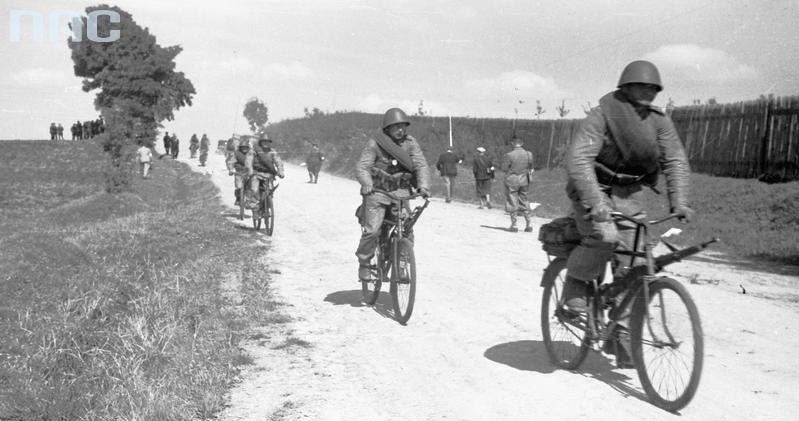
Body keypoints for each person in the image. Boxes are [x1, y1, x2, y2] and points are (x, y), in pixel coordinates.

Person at [560, 60, 694, 368]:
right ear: (625, 87)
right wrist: (598, 207)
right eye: (640, 86)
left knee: (637, 260)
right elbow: (579, 160)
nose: (647, 92)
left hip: (629, 192)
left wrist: (680, 201)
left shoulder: (659, 122)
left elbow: (674, 160)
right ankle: (575, 285)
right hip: (590, 186)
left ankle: (620, 332)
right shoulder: (603, 114)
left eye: (652, 88)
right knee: (604, 236)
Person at [355, 108, 431, 281]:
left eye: (403, 126)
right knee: (372, 230)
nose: (400, 130)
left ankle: (402, 265)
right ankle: (365, 264)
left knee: (406, 230)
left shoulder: (410, 143)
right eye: (396, 126)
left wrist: (423, 186)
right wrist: (367, 184)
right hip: (377, 192)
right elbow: (362, 167)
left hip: (401, 193)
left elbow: (421, 165)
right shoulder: (375, 143)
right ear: (387, 128)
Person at [501, 136, 535, 232]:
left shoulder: (509, 155)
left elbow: (504, 168)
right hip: (524, 181)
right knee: (524, 200)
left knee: (512, 201)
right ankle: (529, 224)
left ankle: (514, 225)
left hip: (512, 181)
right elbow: (531, 167)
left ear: (512, 143)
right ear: (522, 143)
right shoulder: (529, 154)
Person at [248, 135, 286, 208]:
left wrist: (280, 171)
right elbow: (248, 161)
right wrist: (250, 170)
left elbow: (278, 161)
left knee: (270, 191)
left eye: (267, 142)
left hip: (269, 174)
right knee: (254, 190)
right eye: (264, 141)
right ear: (261, 142)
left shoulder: (272, 151)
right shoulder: (254, 150)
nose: (266, 143)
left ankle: (268, 204)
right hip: (256, 173)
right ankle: (255, 208)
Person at [226, 136, 254, 207]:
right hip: (239, 172)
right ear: (240, 147)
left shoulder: (251, 153)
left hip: (249, 172)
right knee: (238, 186)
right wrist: (231, 170)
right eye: (243, 147)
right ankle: (238, 198)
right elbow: (231, 162)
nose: (244, 149)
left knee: (251, 187)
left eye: (246, 147)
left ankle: (248, 200)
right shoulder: (236, 153)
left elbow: (256, 162)